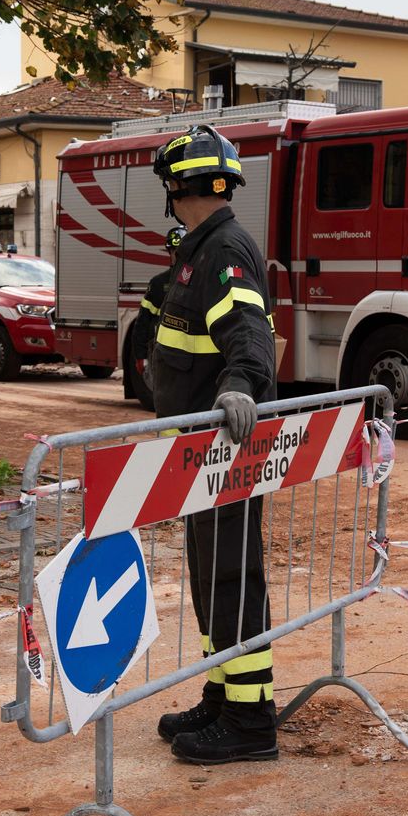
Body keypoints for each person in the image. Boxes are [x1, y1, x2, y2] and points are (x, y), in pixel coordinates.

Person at [148, 124, 278, 764]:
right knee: (211, 578)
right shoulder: (199, 250)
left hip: (226, 451)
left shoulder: (225, 249)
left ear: (178, 188)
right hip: (202, 456)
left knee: (233, 577)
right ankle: (223, 695)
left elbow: (247, 334)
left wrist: (238, 388)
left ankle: (251, 723)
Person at [131, 225, 185, 396]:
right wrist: (141, 356)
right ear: (169, 252)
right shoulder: (159, 284)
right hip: (162, 356)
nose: (178, 255)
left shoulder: (199, 279)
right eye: (175, 251)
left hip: (190, 358)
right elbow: (143, 322)